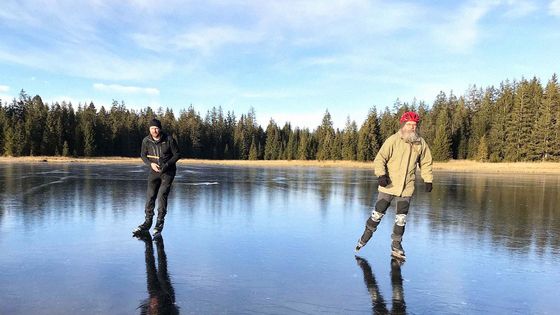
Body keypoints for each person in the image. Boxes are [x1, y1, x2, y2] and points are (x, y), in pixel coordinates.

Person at [355, 111, 433, 259]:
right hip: (389, 185)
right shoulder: (393, 140)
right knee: (377, 214)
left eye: (415, 125)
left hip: (407, 187)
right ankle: (365, 237)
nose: (412, 128)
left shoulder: (420, 143)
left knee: (401, 218)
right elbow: (380, 159)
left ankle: (396, 245)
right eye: (409, 125)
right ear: (403, 125)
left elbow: (426, 162)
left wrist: (428, 179)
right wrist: (381, 175)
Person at [133, 118, 180, 239]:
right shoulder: (146, 141)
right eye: (152, 128)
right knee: (150, 195)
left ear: (160, 129)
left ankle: (159, 222)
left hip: (168, 172)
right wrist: (150, 164)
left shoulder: (169, 140)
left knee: (162, 195)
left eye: (156, 128)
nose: (154, 130)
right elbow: (143, 155)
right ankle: (147, 222)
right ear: (149, 129)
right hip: (154, 171)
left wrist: (167, 165)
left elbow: (177, 154)